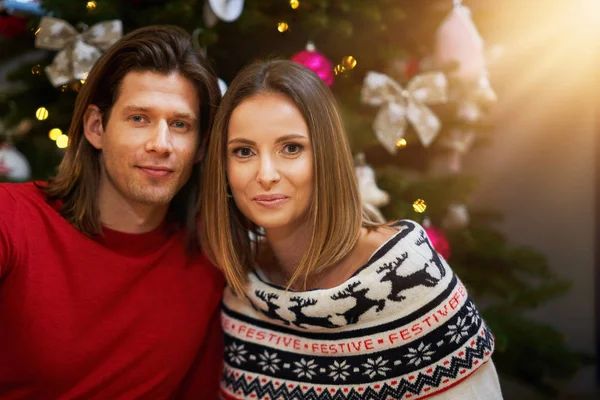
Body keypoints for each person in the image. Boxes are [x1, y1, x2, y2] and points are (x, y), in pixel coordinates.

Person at [199, 59, 503, 400]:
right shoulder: (242, 286)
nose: (266, 174)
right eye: (243, 151)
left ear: (327, 157)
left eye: (291, 148)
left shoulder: (415, 276)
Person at [0, 26, 224, 399]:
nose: (161, 144)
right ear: (96, 127)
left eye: (180, 125)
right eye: (139, 118)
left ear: (200, 147)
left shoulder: (210, 259)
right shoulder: (13, 219)